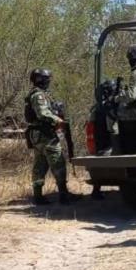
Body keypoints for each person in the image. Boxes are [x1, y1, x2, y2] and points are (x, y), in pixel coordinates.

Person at [25, 68, 80, 205]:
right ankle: (63, 194)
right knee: (58, 162)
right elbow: (42, 113)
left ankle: (38, 196)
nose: (48, 81)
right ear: (40, 79)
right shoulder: (38, 95)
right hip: (45, 134)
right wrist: (58, 120)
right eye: (46, 78)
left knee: (40, 164)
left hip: (38, 135)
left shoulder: (38, 94)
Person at [89, 79, 119, 200]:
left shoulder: (96, 108)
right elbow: (113, 129)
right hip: (110, 145)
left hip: (100, 144)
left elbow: (91, 125)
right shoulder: (111, 107)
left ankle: (96, 190)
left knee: (97, 167)